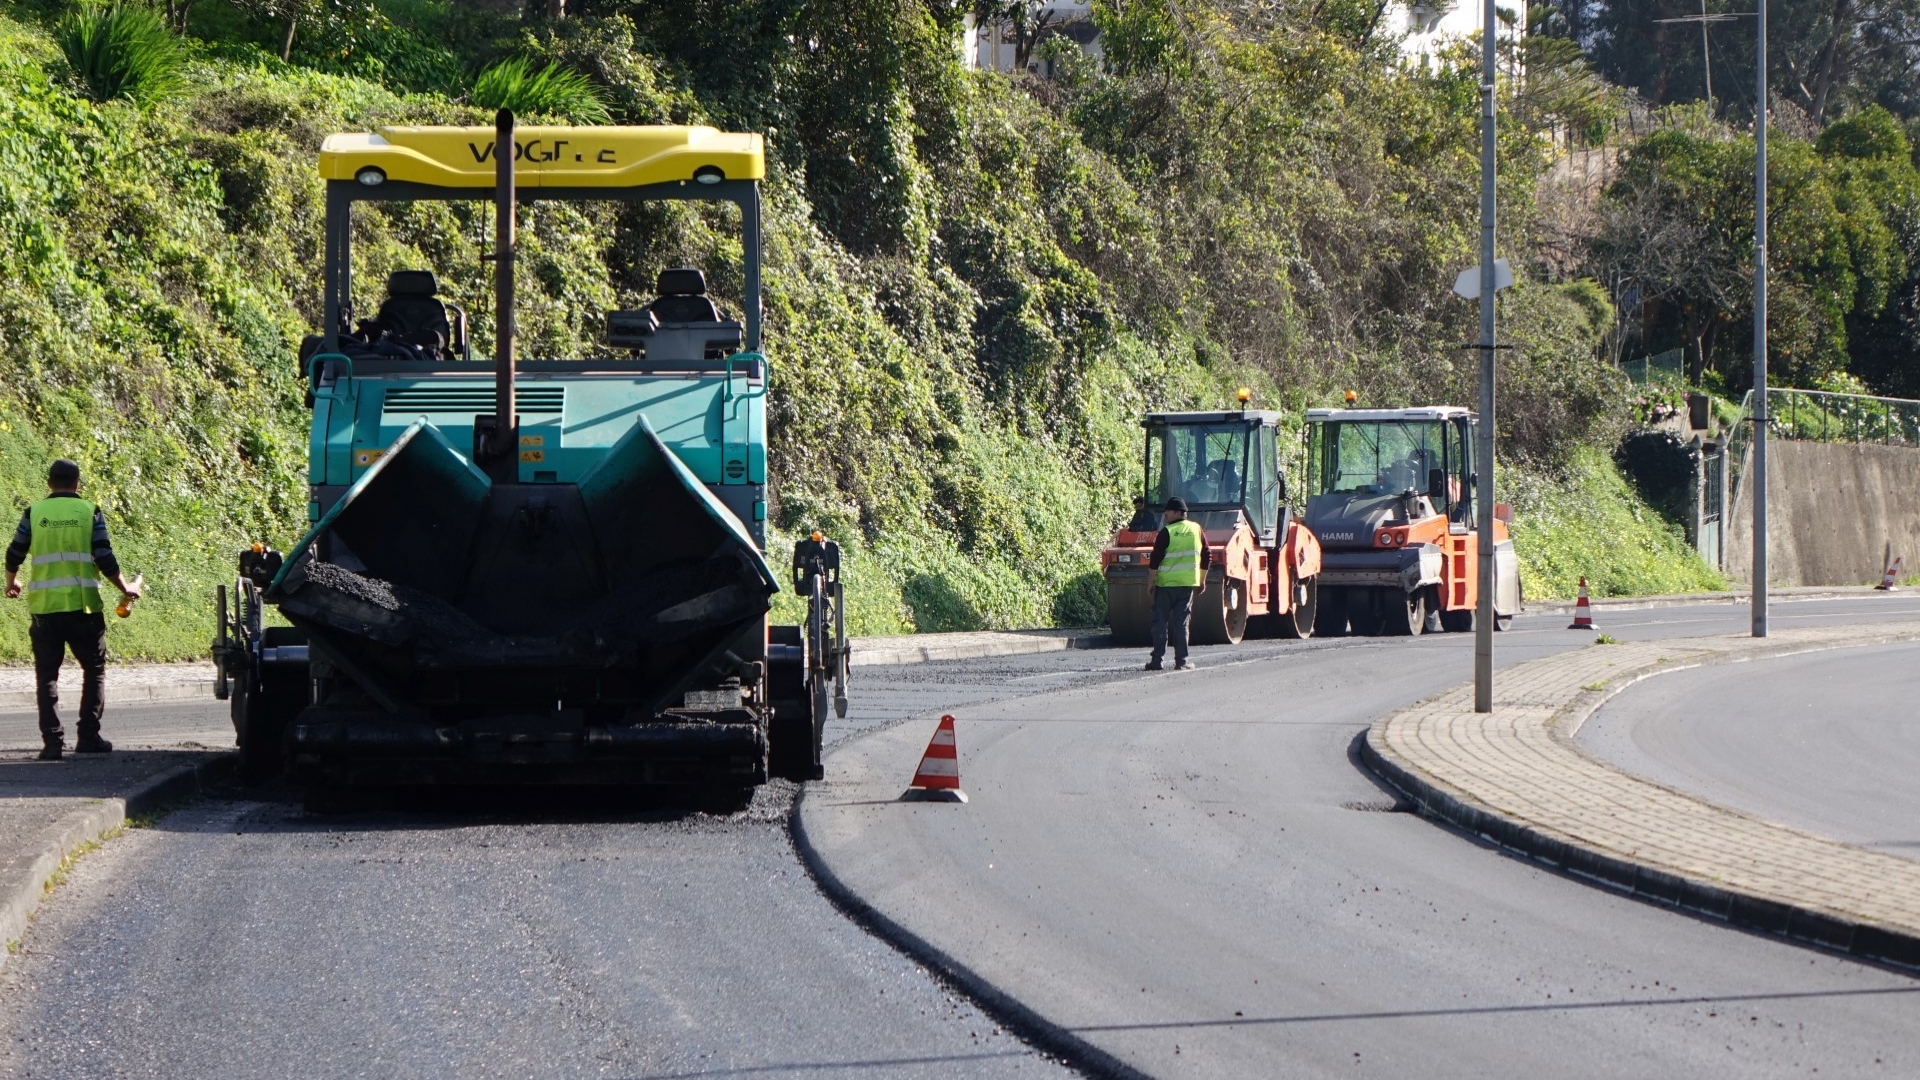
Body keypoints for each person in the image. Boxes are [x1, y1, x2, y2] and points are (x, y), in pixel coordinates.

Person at [4, 460, 140, 761]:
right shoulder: (89, 512)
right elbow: (104, 556)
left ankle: (53, 743)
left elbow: (15, 552)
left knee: (46, 676)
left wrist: (11, 583)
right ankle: (88, 737)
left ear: (49, 483)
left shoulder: (33, 513)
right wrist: (125, 587)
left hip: (45, 609)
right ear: (77, 483)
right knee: (94, 670)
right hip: (84, 608)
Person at [1145, 496, 1211, 672]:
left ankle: (1157, 661)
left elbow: (1155, 559)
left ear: (1177, 512)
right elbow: (1207, 555)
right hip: (1187, 585)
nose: (1165, 514)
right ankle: (1182, 662)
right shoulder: (1197, 529)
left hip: (1165, 585)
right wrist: (1202, 580)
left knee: (1160, 622)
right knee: (1181, 623)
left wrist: (1151, 582)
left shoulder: (1166, 532)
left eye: (1168, 511)